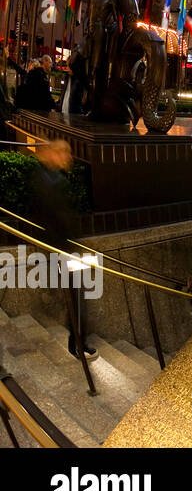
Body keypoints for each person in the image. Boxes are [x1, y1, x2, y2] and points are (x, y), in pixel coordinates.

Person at [28, 140, 97, 360]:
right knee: (76, 296)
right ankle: (77, 343)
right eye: (64, 153)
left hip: (61, 249)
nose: (68, 158)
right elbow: (55, 217)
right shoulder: (49, 181)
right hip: (60, 250)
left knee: (77, 295)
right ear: (54, 155)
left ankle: (77, 341)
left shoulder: (50, 178)